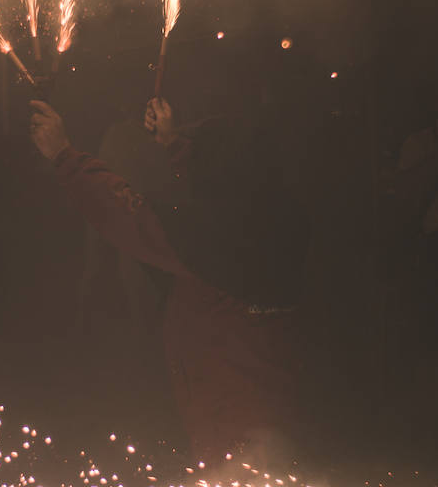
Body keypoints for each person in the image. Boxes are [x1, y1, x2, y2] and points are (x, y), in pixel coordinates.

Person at [29, 97, 296, 466]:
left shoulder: (215, 238)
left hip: (235, 428)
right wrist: (174, 145)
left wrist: (63, 156)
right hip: (264, 411)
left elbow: (126, 211)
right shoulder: (272, 217)